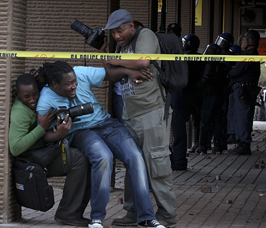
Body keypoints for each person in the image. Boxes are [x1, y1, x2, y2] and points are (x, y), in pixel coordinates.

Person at [36, 61, 164, 228]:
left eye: (75, 81)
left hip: (106, 123)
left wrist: (127, 71)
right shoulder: (46, 99)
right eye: (68, 84)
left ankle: (146, 217)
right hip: (81, 132)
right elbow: (42, 133)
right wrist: (59, 133)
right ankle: (97, 218)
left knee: (135, 156)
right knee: (103, 157)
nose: (74, 85)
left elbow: (108, 74)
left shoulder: (79, 73)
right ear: (54, 84)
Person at [98, 9, 177, 227]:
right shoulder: (122, 46)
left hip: (152, 111)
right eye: (113, 33)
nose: (116, 36)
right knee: (133, 164)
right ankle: (133, 211)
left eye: (120, 30)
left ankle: (167, 214)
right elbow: (109, 70)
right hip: (130, 114)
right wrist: (120, 63)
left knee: (156, 163)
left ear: (131, 25)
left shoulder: (145, 36)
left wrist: (117, 62)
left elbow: (142, 62)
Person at [8, 73, 91, 227]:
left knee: (88, 156)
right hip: (32, 160)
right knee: (78, 160)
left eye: (35, 94)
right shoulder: (20, 112)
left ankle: (72, 212)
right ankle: (67, 213)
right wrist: (42, 128)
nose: (32, 99)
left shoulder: (39, 98)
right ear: (18, 95)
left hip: (44, 151)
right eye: (26, 96)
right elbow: (15, 148)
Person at [227, 30, 261, 155]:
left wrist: (229, 71)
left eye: (244, 40)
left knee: (243, 117)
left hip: (244, 90)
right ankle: (241, 141)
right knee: (239, 116)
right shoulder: (249, 54)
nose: (242, 42)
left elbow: (236, 72)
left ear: (250, 41)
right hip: (244, 89)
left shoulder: (249, 54)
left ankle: (244, 144)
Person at [166, 23, 189, 170]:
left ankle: (177, 159)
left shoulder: (165, 48)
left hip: (172, 90)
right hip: (177, 90)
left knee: (174, 126)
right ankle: (178, 159)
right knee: (177, 126)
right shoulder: (181, 49)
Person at [182, 34, 202, 154]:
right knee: (196, 120)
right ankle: (197, 143)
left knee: (184, 119)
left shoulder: (185, 58)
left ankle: (193, 144)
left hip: (187, 91)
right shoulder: (200, 58)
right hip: (197, 92)